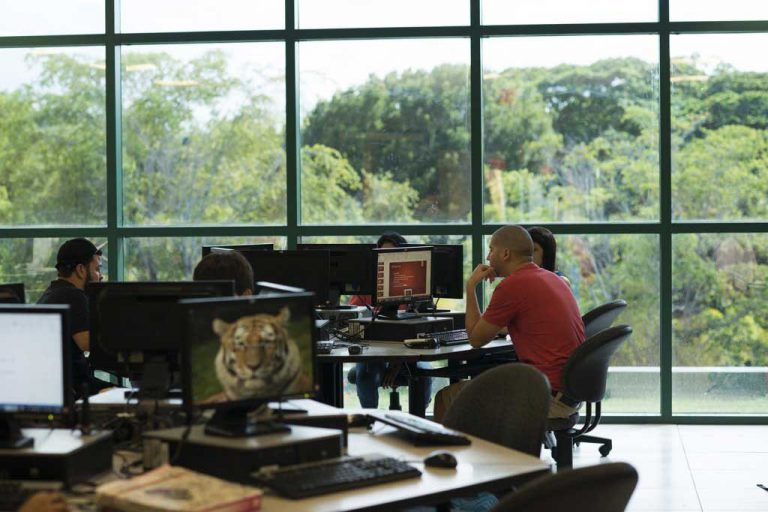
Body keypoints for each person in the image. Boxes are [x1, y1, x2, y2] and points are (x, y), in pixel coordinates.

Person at [433, 225, 585, 422]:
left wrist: (470, 287)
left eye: (491, 250)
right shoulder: (552, 278)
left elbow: (476, 339)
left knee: (445, 398)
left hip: (546, 397)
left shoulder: (512, 285)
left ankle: (452, 445)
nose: (488, 257)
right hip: (571, 393)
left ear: (505, 254)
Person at [348, 232, 432, 409]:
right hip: (374, 353)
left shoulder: (414, 283)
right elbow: (354, 318)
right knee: (365, 376)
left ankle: (419, 417)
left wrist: (397, 364)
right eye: (382, 254)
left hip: (408, 354)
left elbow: (419, 329)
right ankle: (371, 419)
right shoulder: (369, 282)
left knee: (423, 374)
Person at [37, 238, 110, 398]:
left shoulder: (52, 292)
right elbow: (87, 343)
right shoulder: (74, 295)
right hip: (76, 388)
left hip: (59, 385)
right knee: (132, 398)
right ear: (81, 270)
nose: (100, 276)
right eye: (97, 269)